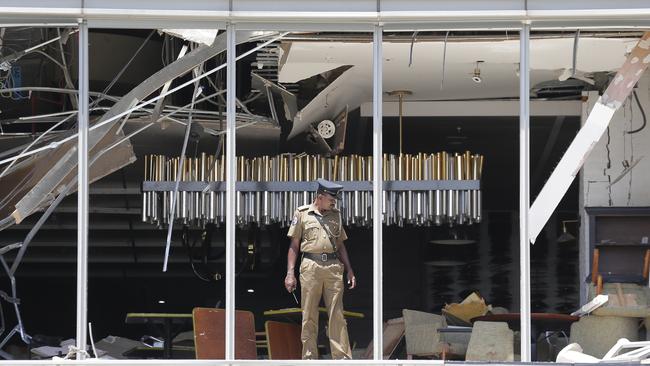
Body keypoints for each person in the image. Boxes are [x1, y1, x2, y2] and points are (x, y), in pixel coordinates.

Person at [284, 178, 356, 360]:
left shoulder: (336, 215)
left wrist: (349, 270)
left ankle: (341, 358)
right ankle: (309, 357)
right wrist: (290, 273)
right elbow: (294, 245)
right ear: (320, 196)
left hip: (333, 267)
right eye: (331, 199)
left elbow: (340, 245)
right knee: (309, 314)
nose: (334, 202)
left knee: (336, 313)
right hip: (310, 266)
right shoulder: (302, 213)